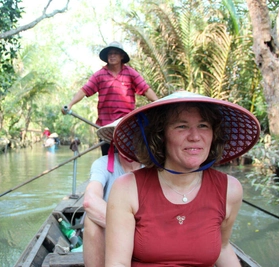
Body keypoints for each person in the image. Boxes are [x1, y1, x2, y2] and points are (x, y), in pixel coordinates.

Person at [105, 91, 260, 266]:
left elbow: (223, 248)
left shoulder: (230, 190)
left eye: (203, 126)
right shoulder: (127, 188)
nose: (195, 137)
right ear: (160, 136)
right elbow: (118, 263)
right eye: (182, 126)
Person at [61, 41, 158, 156]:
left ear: (121, 56)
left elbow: (145, 89)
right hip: (105, 126)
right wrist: (70, 104)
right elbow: (85, 90)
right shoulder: (99, 75)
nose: (112, 56)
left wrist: (159, 103)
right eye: (110, 54)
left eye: (115, 53)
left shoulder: (130, 73)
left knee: (127, 159)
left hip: (125, 125)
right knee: (108, 159)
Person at [82, 119, 142, 267]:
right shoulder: (102, 164)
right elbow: (90, 200)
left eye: (133, 137)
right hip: (116, 233)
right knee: (91, 221)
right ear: (115, 142)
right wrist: (126, 228)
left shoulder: (154, 166)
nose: (128, 145)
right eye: (123, 138)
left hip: (147, 232)